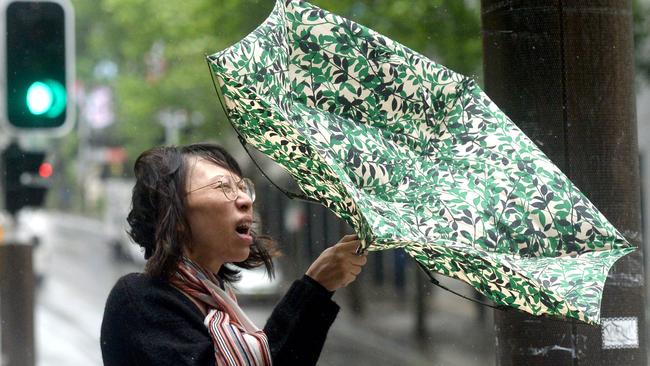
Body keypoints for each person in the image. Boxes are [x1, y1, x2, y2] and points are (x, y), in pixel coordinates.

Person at [100, 142, 367, 366]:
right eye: (223, 187)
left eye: (243, 188)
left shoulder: (219, 302)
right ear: (176, 213)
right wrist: (313, 289)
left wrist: (318, 287)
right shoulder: (137, 300)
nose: (245, 200)